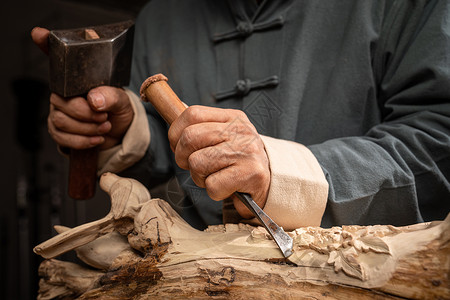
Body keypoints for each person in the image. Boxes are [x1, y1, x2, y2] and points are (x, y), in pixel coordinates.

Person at [32, 0, 450, 231]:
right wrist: (126, 128)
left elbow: (439, 140)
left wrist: (284, 174)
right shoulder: (161, 17)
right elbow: (170, 150)